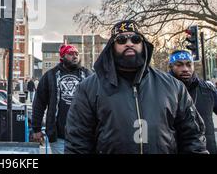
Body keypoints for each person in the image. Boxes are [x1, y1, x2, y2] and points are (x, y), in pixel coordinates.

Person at [65, 20, 208, 154]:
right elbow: (77, 142)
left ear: (142, 45)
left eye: (135, 39)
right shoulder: (88, 88)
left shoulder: (173, 86)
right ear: (112, 47)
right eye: (121, 40)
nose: (129, 43)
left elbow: (193, 137)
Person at [31, 44, 92, 153]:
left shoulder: (88, 75)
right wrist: (36, 128)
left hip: (83, 135)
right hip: (58, 136)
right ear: (62, 56)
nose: (75, 56)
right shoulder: (50, 76)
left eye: (77, 54)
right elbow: (39, 103)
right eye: (71, 54)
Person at [168, 50, 217, 154]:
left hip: (207, 149)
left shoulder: (208, 90)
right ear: (171, 67)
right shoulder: (161, 90)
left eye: (189, 65)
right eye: (179, 65)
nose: (185, 69)